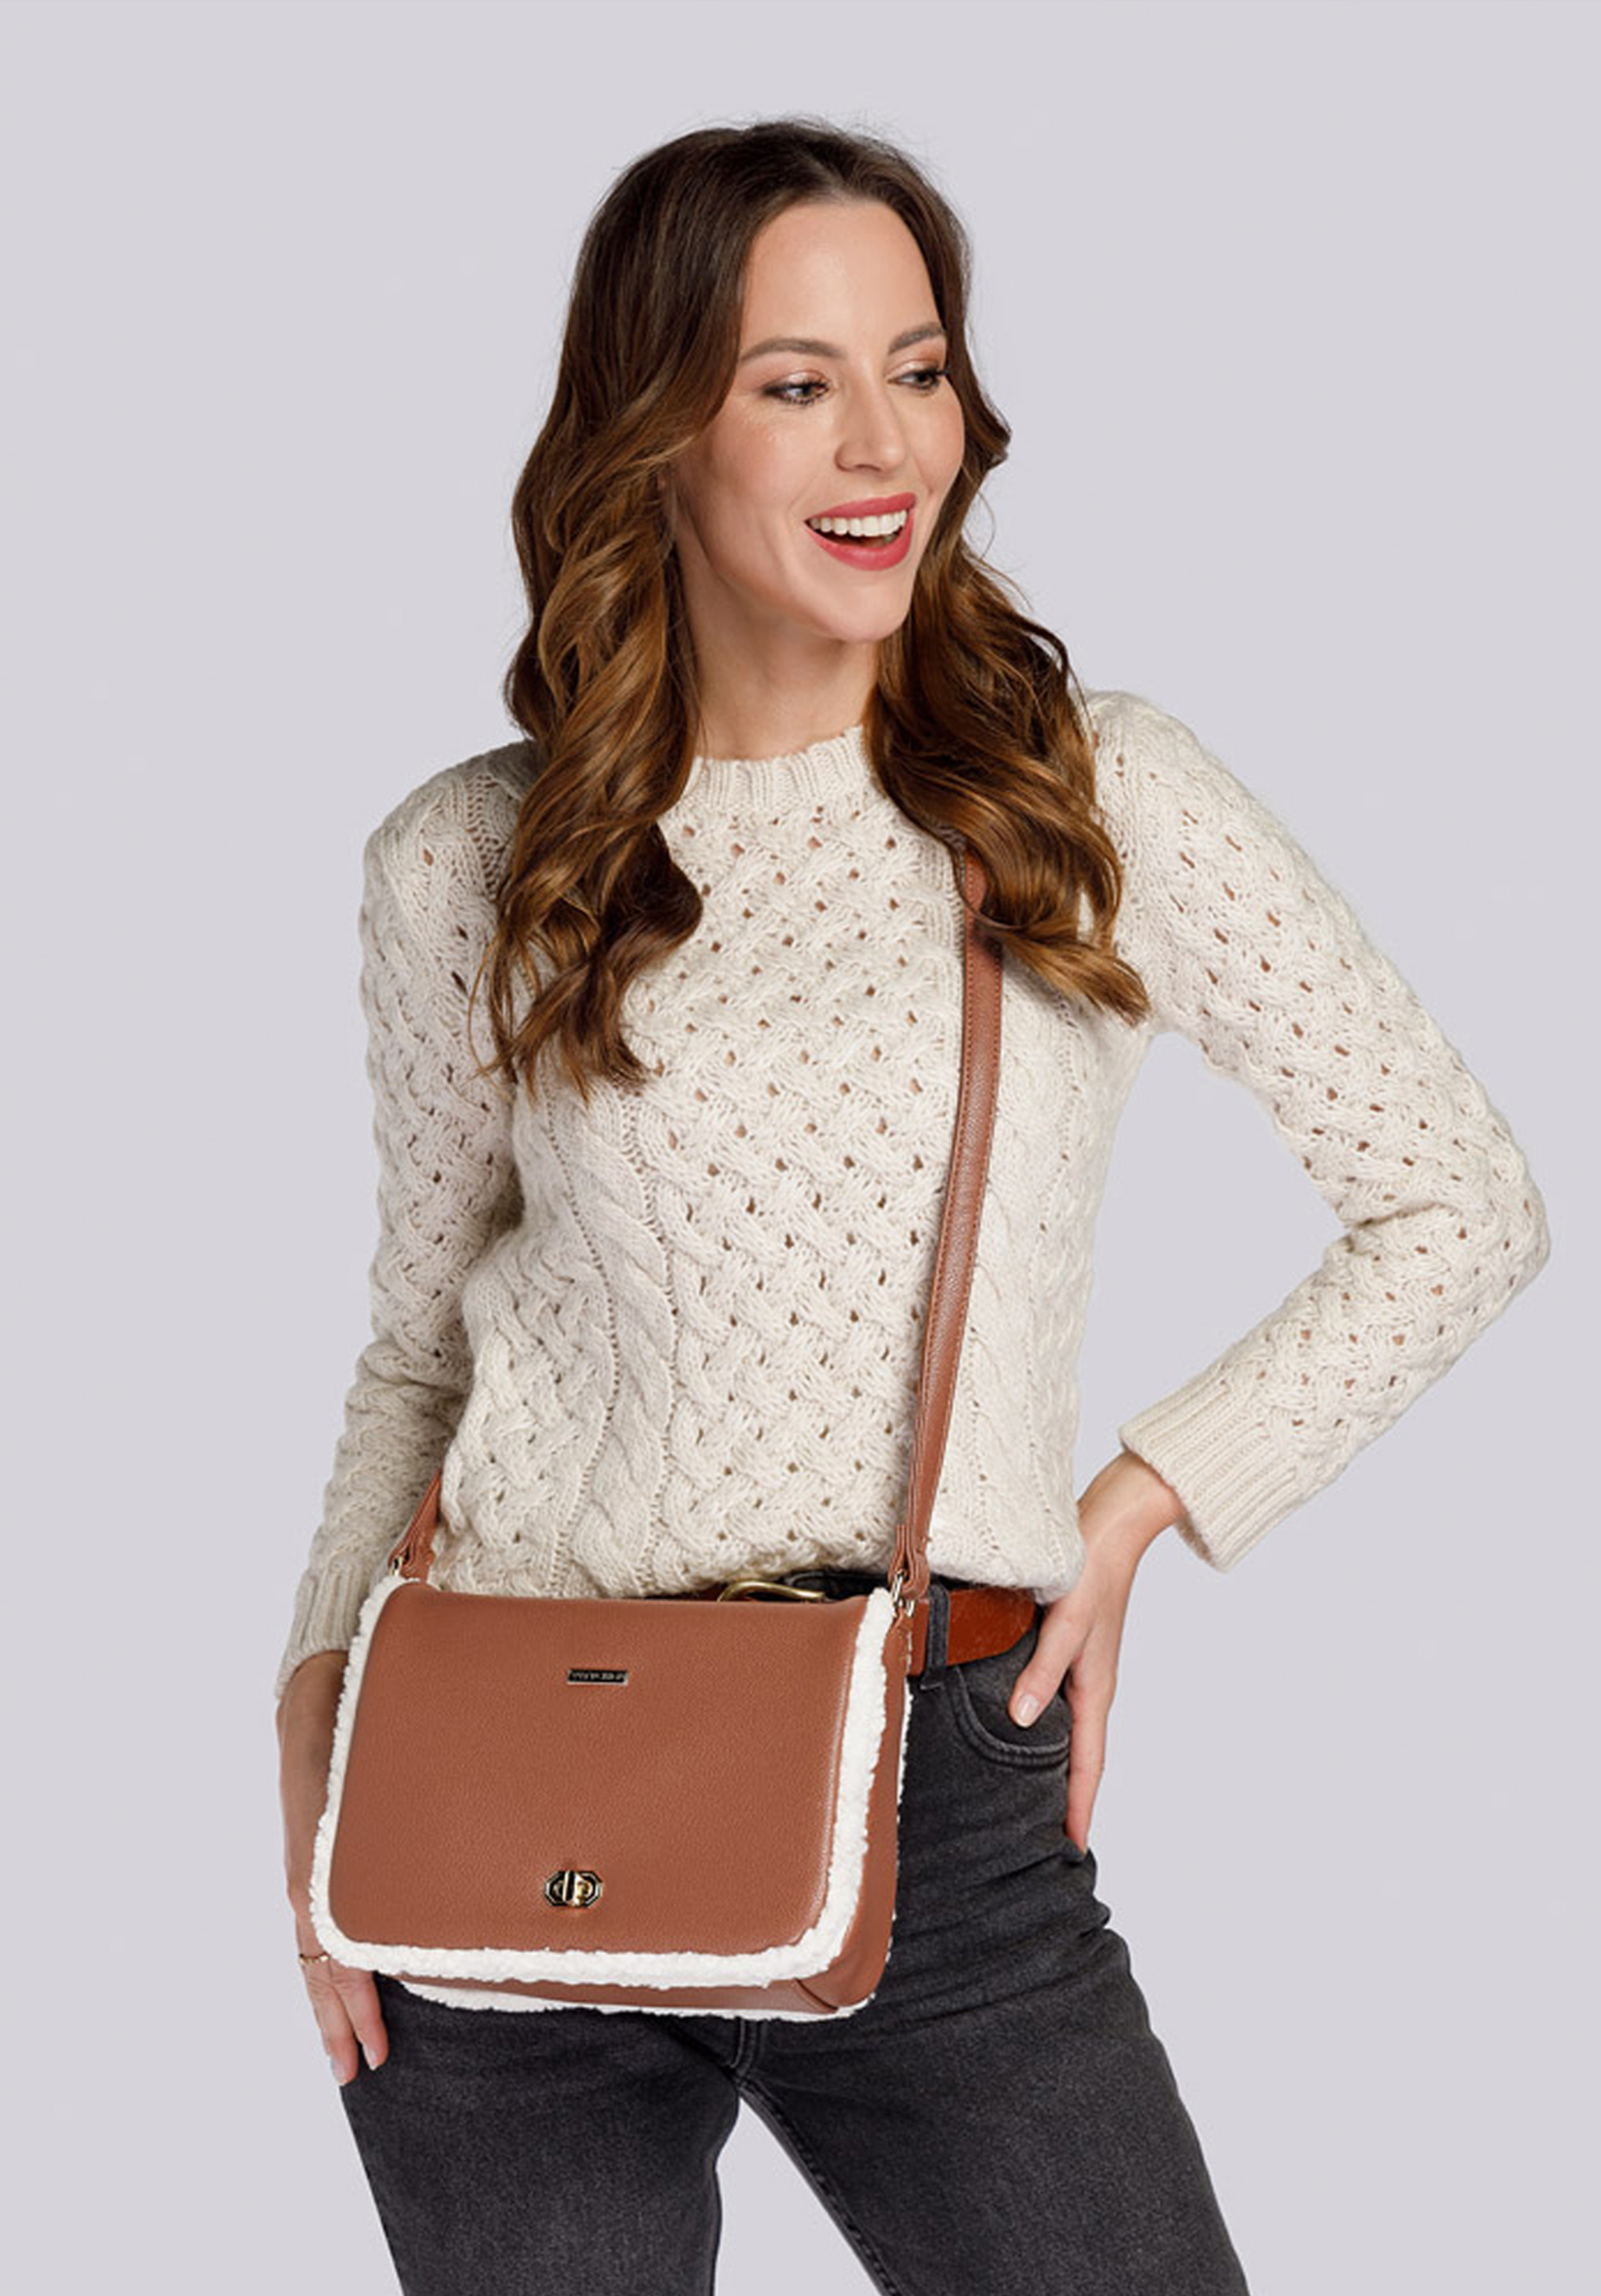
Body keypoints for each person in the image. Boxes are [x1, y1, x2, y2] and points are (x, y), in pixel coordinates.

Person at [274, 117, 1551, 2295]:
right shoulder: (469, 859)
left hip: (935, 1791)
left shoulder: (1086, 795)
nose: (886, 444)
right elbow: (419, 1346)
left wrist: (1139, 1503)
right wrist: (313, 1712)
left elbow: (1459, 1200)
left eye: (922, 367)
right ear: (657, 430)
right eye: (797, 382)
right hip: (495, 1792)